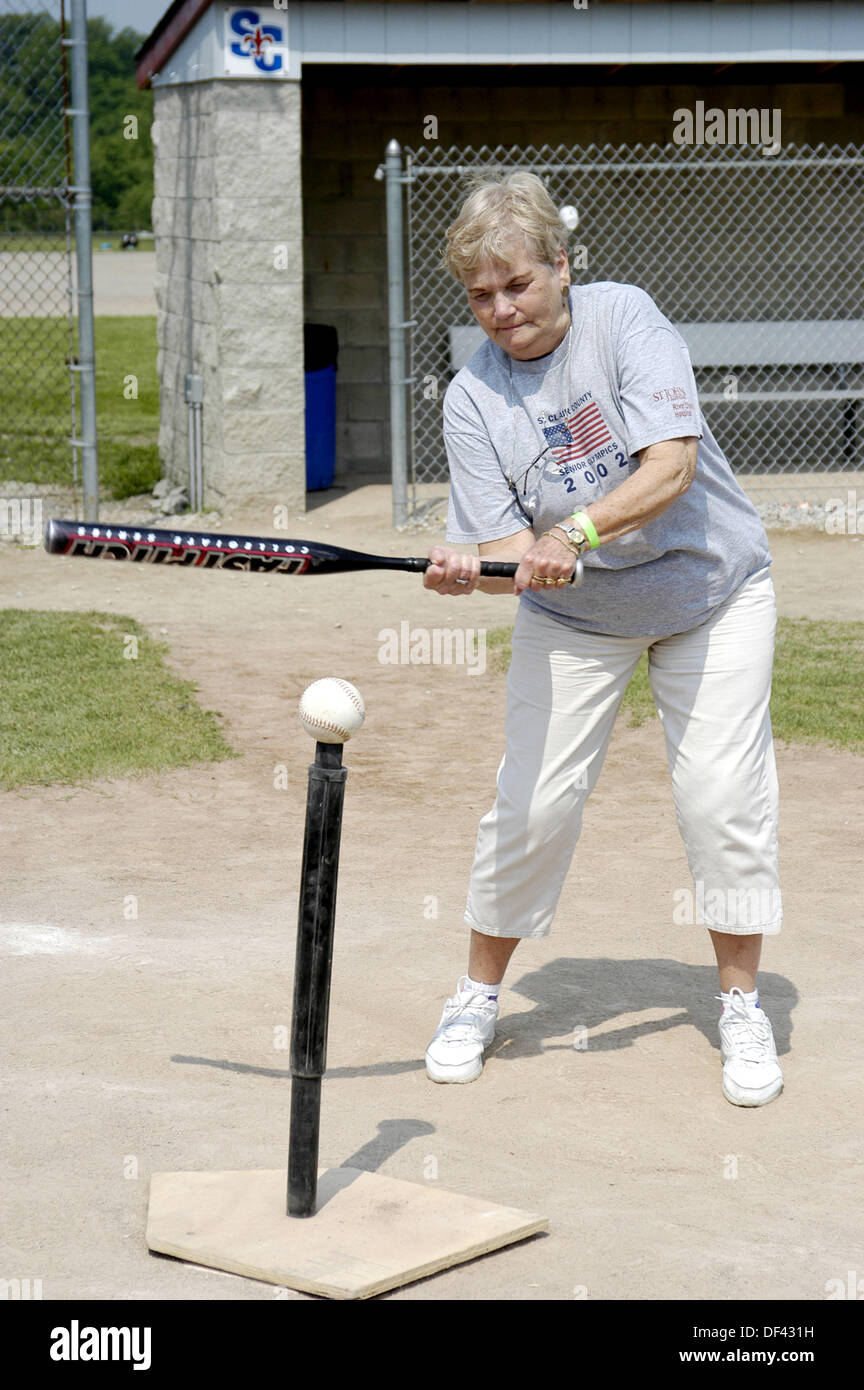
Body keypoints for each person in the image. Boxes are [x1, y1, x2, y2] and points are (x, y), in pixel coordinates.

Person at [422, 171, 783, 1107]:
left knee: (719, 796)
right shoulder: (472, 399)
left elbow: (672, 465)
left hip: (711, 590)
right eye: (481, 296)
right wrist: (477, 567)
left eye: (518, 286)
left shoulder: (625, 320)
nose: (502, 311)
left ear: (562, 268)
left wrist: (571, 535)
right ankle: (477, 993)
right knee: (533, 804)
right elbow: (511, 553)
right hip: (580, 617)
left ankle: (741, 1005)